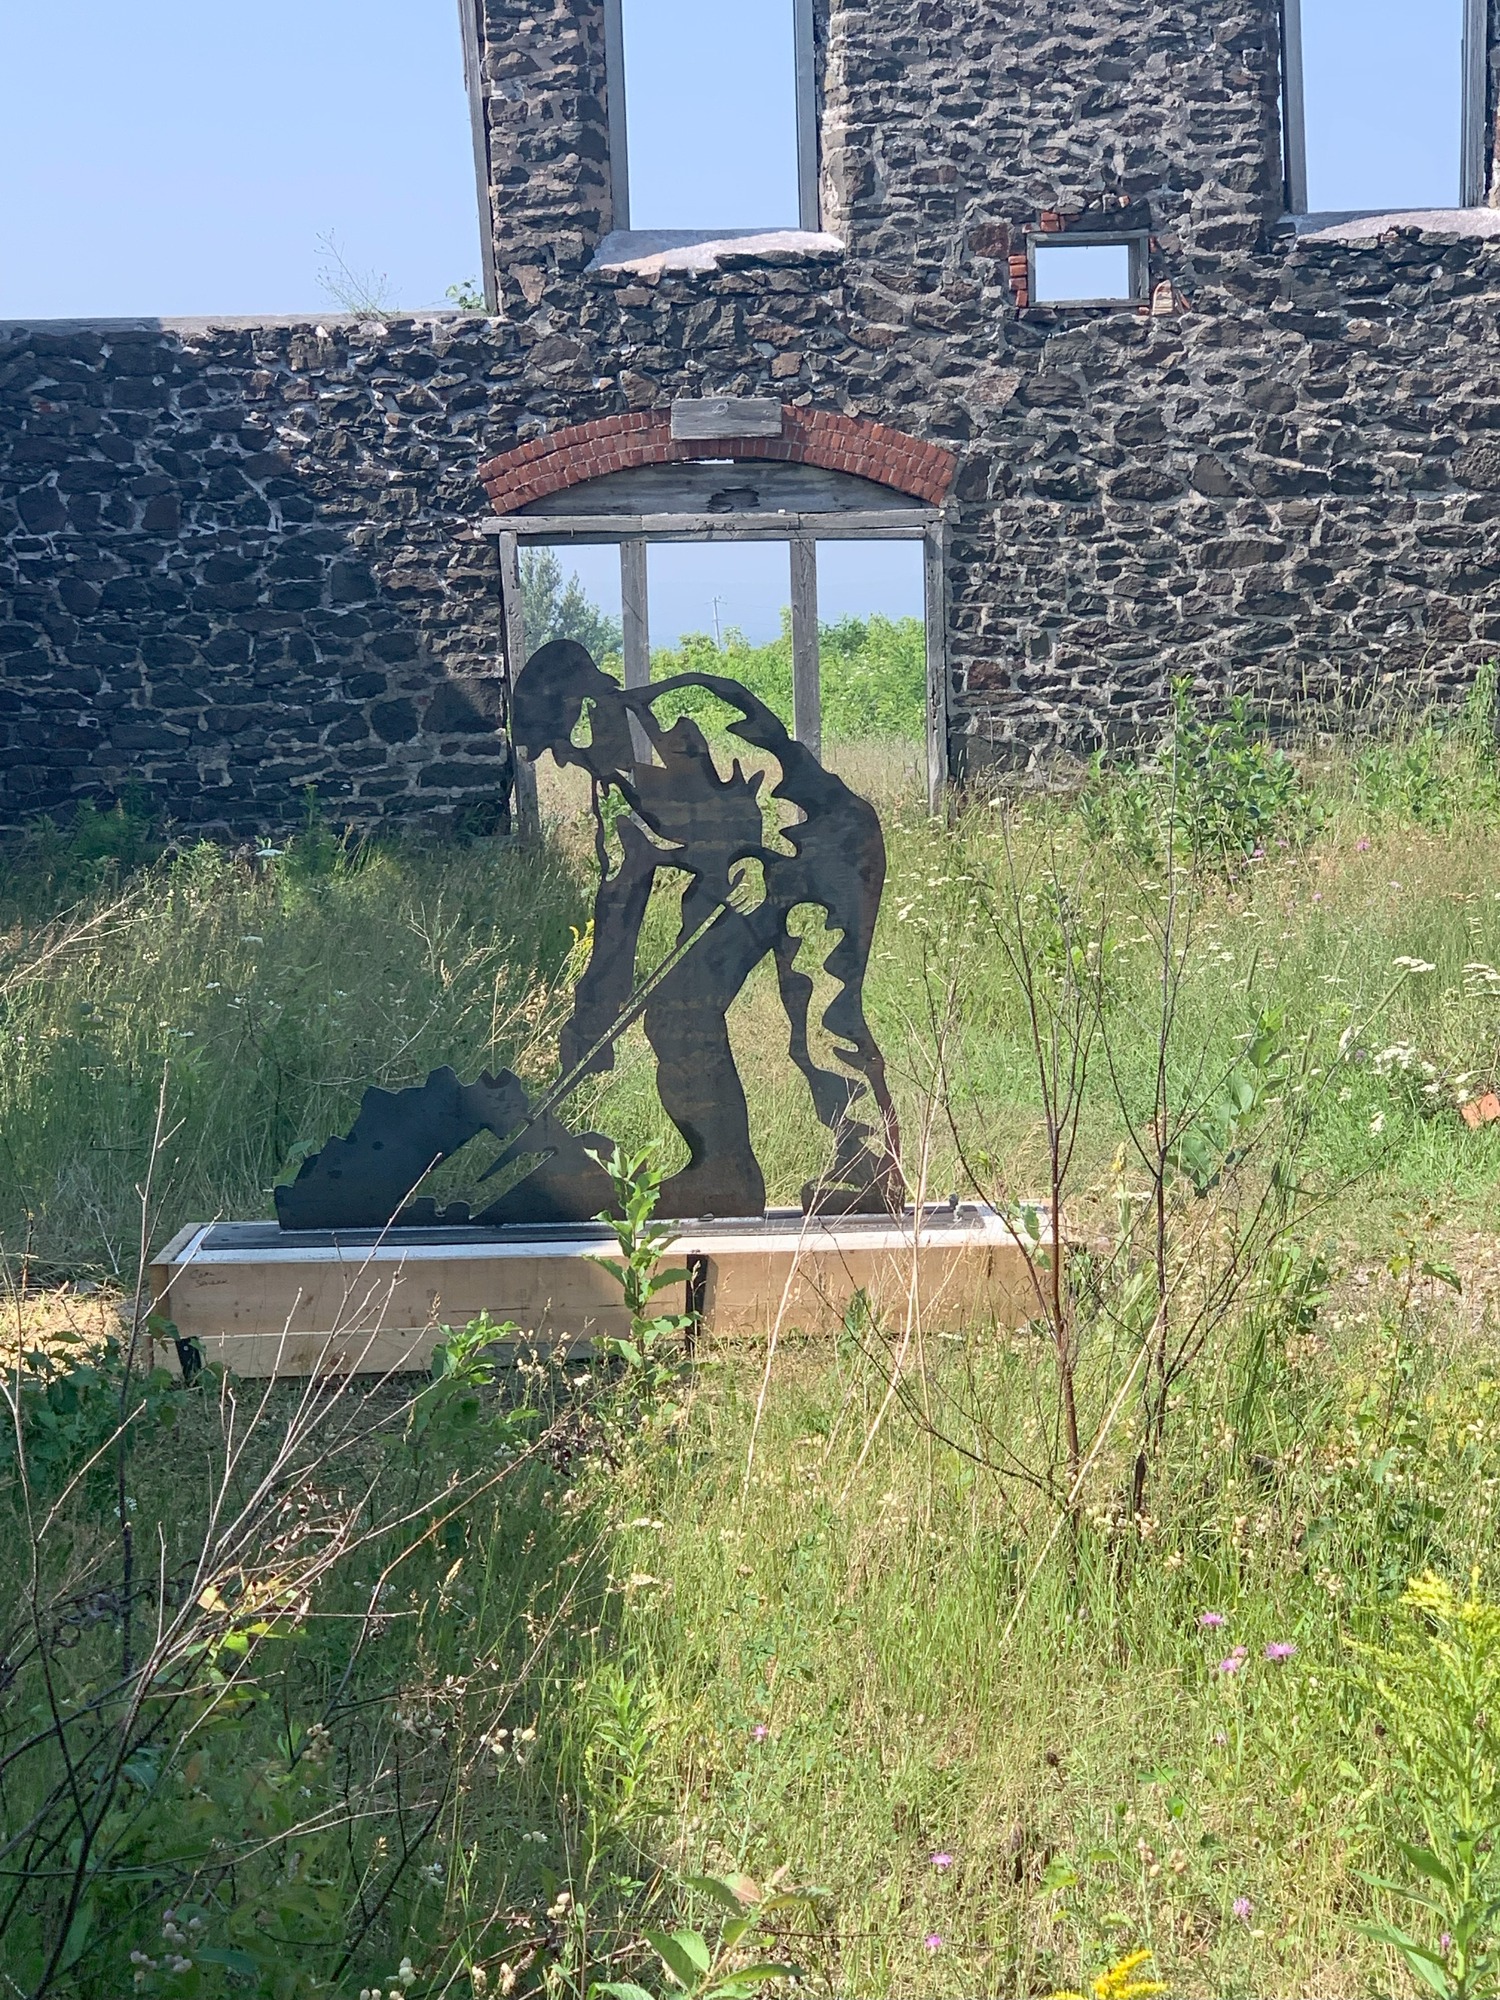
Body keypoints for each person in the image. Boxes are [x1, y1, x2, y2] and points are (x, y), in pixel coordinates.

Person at [511, 640, 902, 1219]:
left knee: (819, 1007)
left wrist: (695, 860)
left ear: (583, 705)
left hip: (827, 844)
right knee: (680, 1009)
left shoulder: (676, 713)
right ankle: (726, 1169)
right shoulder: (618, 770)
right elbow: (622, 904)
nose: (565, 761)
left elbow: (744, 813)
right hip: (762, 867)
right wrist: (588, 1030)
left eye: (561, 743)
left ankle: (837, 1177)